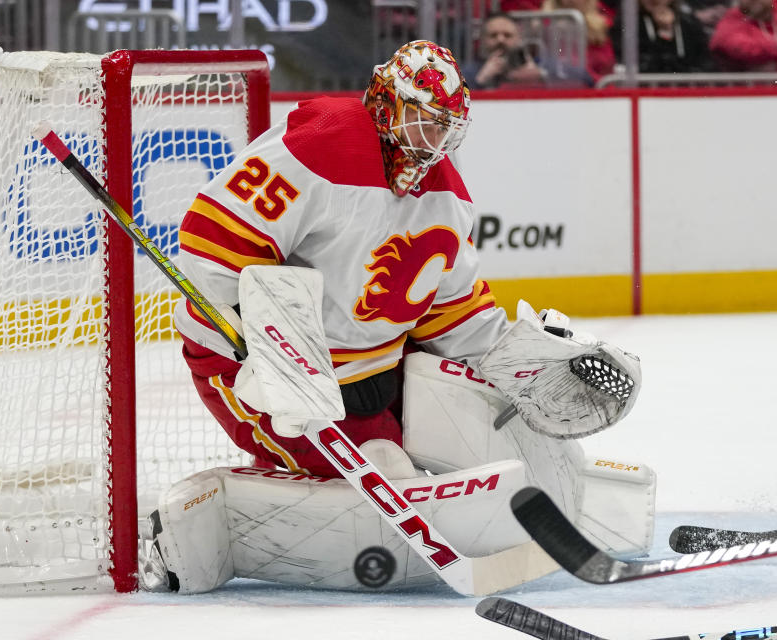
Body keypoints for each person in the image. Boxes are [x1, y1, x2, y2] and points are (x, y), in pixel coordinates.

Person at [146, 40, 655, 594]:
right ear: (388, 105)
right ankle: (209, 522)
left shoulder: (445, 195)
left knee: (481, 433)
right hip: (255, 368)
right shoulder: (327, 142)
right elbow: (213, 241)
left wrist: (521, 362)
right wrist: (254, 338)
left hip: (371, 374)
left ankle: (562, 498)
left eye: (446, 128)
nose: (433, 141)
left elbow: (452, 314)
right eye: (423, 121)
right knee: (385, 472)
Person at [612, 0, 712, 73]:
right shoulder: (628, 24)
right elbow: (639, 66)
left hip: (688, 94)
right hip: (646, 94)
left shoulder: (688, 23)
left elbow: (706, 63)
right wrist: (664, 34)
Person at [463, 12, 547, 89]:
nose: (500, 40)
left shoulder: (539, 64)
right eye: (493, 35)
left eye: (507, 35)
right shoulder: (469, 72)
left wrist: (540, 77)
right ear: (482, 40)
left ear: (519, 38)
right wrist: (480, 80)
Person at [541, 0, 617, 83]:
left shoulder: (600, 25)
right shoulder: (546, 25)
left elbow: (608, 65)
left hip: (601, 87)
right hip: (568, 87)